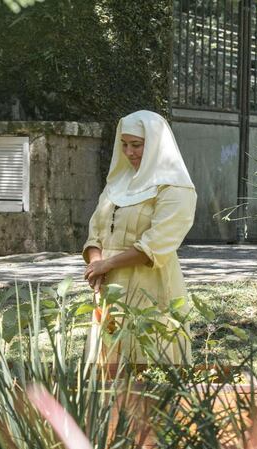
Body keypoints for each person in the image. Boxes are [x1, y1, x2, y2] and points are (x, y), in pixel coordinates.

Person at [83, 110, 197, 365]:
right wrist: (96, 264)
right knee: (107, 365)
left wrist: (107, 264)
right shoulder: (118, 183)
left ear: (156, 144)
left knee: (151, 356)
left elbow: (156, 245)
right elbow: (96, 231)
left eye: (137, 145)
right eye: (124, 144)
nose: (129, 152)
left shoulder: (174, 187)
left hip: (150, 283)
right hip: (109, 284)